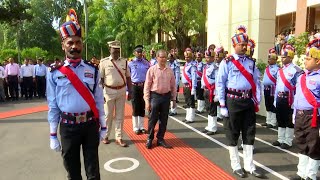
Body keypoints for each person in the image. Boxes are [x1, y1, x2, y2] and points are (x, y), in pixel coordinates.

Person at [46, 9, 106, 180]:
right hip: (67, 127)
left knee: (93, 171)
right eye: (70, 42)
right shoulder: (54, 72)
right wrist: (52, 135)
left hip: (89, 125)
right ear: (63, 45)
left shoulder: (92, 70)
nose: (74, 46)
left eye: (78, 42)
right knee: (72, 172)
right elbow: (53, 105)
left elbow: (99, 101)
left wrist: (103, 126)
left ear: (82, 44)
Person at [216, 25, 263, 178]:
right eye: (241, 45)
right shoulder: (227, 62)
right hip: (232, 101)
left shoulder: (251, 63)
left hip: (247, 101)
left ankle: (250, 166)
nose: (244, 47)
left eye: (245, 44)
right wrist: (222, 104)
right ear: (234, 45)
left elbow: (256, 81)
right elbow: (220, 84)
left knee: (249, 133)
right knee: (233, 133)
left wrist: (257, 99)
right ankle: (236, 165)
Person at [290, 38, 320, 180]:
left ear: (317, 61)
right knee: (301, 143)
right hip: (300, 115)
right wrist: (295, 113)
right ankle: (301, 173)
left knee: (313, 145)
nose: (305, 61)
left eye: (308, 59)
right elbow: (297, 97)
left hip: (313, 117)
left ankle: (311, 175)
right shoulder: (301, 77)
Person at [99, 40, 132, 147]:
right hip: (108, 92)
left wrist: (130, 91)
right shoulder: (104, 62)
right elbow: (100, 79)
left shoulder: (124, 61)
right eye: (114, 50)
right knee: (108, 115)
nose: (117, 52)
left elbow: (128, 77)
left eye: (118, 50)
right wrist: (101, 94)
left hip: (121, 91)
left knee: (120, 116)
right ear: (110, 50)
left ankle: (119, 137)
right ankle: (105, 135)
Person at [144, 49, 177, 149]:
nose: (163, 59)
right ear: (157, 58)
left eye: (164, 57)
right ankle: (149, 138)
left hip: (166, 97)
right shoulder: (152, 70)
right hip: (155, 96)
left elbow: (173, 86)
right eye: (161, 57)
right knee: (152, 119)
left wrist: (174, 99)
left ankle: (160, 139)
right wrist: (147, 101)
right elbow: (147, 86)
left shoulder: (170, 70)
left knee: (164, 119)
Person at [272, 43, 302, 149]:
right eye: (282, 56)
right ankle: (280, 139)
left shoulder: (296, 70)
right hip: (280, 97)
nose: (282, 58)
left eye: (284, 57)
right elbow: (277, 86)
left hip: (290, 98)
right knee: (280, 118)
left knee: (289, 120)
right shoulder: (280, 70)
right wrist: (275, 99)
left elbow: (299, 87)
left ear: (290, 57)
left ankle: (288, 141)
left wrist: (296, 101)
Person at [128, 45, 150, 135]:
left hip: (143, 86)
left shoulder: (146, 63)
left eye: (141, 51)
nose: (140, 53)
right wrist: (127, 90)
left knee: (142, 106)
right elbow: (128, 77)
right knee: (135, 106)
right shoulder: (130, 63)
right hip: (134, 86)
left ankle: (141, 126)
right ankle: (135, 127)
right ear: (134, 53)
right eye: (138, 52)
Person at [201, 50, 219, 135]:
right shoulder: (205, 67)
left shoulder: (215, 67)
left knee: (212, 109)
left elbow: (217, 80)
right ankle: (209, 126)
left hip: (212, 90)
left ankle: (213, 128)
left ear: (213, 57)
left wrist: (217, 93)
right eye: (206, 57)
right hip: (206, 89)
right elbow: (203, 78)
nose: (207, 59)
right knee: (208, 108)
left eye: (209, 57)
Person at [261, 48, 279, 128]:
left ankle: (273, 122)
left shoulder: (277, 69)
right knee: (267, 104)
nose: (269, 60)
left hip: (273, 89)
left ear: (275, 60)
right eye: (268, 58)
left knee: (272, 105)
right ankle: (268, 120)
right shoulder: (267, 68)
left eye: (270, 59)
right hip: (266, 88)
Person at [181, 48, 197, 123]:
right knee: (187, 101)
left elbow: (194, 78)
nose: (186, 58)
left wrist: (194, 87)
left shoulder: (192, 66)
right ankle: (187, 117)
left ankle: (191, 117)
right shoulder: (186, 65)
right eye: (185, 57)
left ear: (191, 57)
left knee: (191, 102)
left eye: (188, 57)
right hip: (185, 86)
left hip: (189, 86)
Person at [214, 46, 225, 121]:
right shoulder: (215, 65)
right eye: (215, 56)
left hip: (224, 87)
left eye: (218, 56)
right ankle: (219, 114)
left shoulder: (225, 64)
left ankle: (222, 115)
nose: (216, 58)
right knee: (217, 102)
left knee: (223, 101)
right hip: (216, 86)